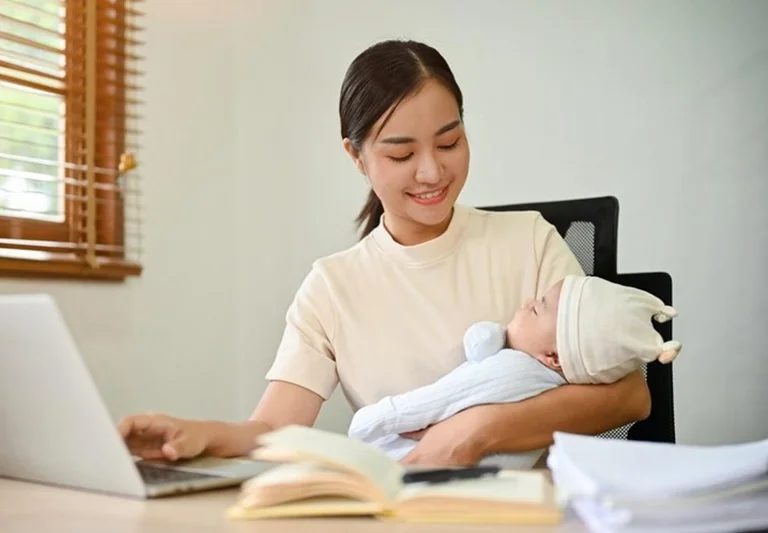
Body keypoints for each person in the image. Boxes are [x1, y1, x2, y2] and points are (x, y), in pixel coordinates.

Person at [119, 39, 652, 467]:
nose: (432, 172)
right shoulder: (332, 287)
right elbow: (275, 430)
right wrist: (197, 435)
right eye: (401, 153)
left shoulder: (529, 240)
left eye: (449, 143)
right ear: (356, 155)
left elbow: (629, 398)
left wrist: (476, 430)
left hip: (527, 514)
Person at [347, 275, 682, 466]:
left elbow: (431, 402)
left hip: (406, 468)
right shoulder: (549, 376)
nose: (524, 304)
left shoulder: (513, 370)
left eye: (536, 310)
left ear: (553, 356)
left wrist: (371, 421)